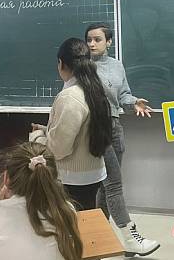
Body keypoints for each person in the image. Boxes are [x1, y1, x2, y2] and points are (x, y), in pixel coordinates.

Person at [85, 23, 159, 256]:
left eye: (97, 39)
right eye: (89, 40)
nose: (92, 44)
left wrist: (133, 102)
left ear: (108, 42)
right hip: (96, 126)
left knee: (106, 186)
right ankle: (130, 238)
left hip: (115, 126)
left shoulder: (116, 65)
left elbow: (123, 94)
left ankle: (97, 238)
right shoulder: (83, 67)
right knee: (114, 184)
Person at [30, 37, 112, 210]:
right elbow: (83, 132)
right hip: (92, 174)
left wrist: (37, 137)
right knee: (85, 220)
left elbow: (59, 149)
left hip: (72, 179)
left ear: (61, 63)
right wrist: (45, 129)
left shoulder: (70, 97)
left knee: (71, 223)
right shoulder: (94, 89)